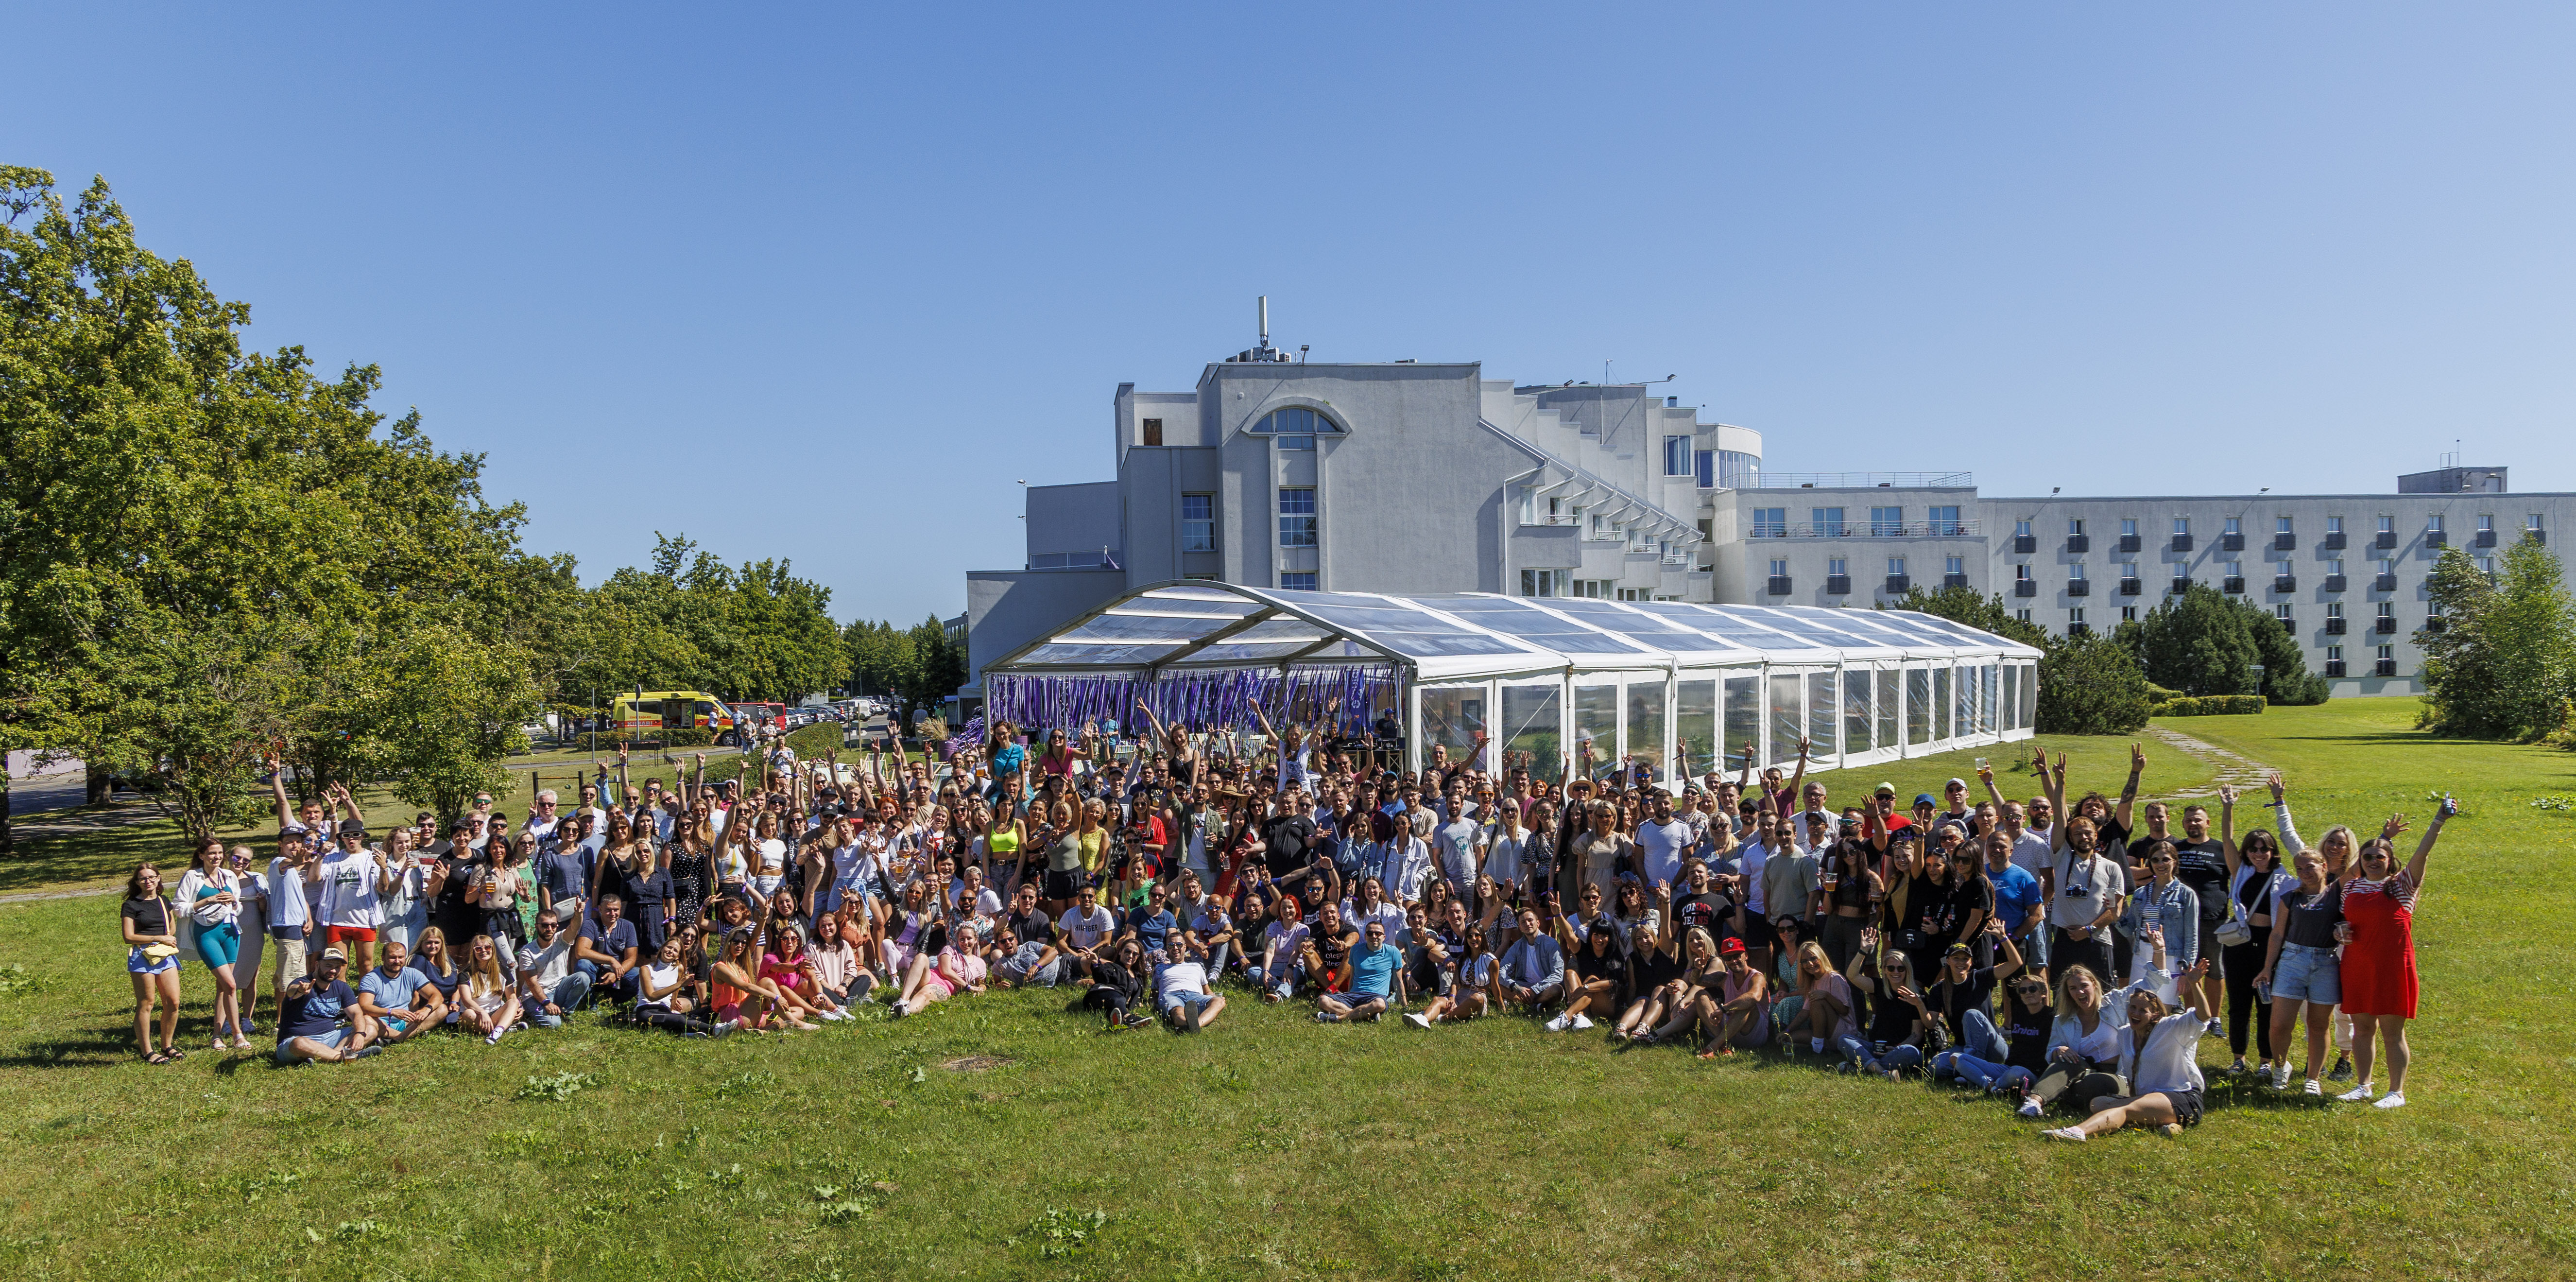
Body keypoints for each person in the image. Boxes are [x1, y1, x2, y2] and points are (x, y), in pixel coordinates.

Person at [2337, 801, 2450, 1108]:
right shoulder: (2351, 887)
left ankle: (2396, 1092)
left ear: (2390, 861)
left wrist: (2438, 821)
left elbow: (2422, 854)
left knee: (2392, 1032)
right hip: (2357, 964)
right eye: (2368, 857)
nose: (2374, 861)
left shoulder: (2402, 885)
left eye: (2380, 857)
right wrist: (2339, 933)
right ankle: (2363, 1086)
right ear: (2361, 860)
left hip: (2392, 966)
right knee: (2362, 1030)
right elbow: (2346, 921)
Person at [2043, 981, 2214, 1142]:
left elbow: (2203, 1016)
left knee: (2122, 1109)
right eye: (2133, 1008)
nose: (2135, 1013)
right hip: (2147, 1098)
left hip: (2182, 1098)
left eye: (2142, 1010)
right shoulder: (2125, 1034)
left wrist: (2194, 983)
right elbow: (2132, 1079)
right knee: (2098, 1104)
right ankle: (2165, 1125)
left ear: (2155, 1014)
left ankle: (2078, 1132)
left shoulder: (2170, 1027)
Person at [2253, 842, 2346, 1096]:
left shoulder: (2336, 893)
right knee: (2279, 1025)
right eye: (2299, 869)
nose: (2304, 872)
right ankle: (2281, 1068)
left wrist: (2386, 837)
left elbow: (2358, 867)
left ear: (2324, 867)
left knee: (2318, 1025)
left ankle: (2312, 1078)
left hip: (2325, 963)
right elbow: (2277, 934)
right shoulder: (2291, 898)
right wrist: (2267, 968)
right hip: (2292, 961)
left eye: (2310, 867)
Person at [2017, 965, 2124, 1119]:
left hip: (2116, 1073)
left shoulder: (2114, 1005)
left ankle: (2062, 1092)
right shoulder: (2062, 1020)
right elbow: (2051, 1051)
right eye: (2073, 988)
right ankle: (2034, 1102)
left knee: (2093, 1083)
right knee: (2068, 1061)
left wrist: (2158, 953)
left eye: (2084, 986)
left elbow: (2151, 983)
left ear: (2094, 984)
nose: (2080, 992)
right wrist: (2058, 1050)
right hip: (2081, 1069)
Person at [176, 838, 251, 1051]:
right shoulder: (193, 876)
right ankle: (237, 1034)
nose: (216, 857)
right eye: (211, 853)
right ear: (202, 856)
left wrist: (233, 902)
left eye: (219, 853)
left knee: (224, 986)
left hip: (230, 933)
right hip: (206, 934)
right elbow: (179, 908)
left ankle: (217, 1036)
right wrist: (208, 900)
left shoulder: (229, 876)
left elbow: (238, 907)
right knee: (231, 985)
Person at [121, 863, 186, 1064]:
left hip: (164, 955)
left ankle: (167, 1045)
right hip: (142, 956)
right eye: (143, 878)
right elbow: (128, 936)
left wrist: (164, 939)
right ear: (137, 882)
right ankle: (147, 1051)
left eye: (151, 877)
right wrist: (158, 938)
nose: (148, 881)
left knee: (173, 1002)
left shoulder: (163, 901)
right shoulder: (131, 905)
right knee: (147, 1003)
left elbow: (171, 929)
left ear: (159, 878)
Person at [274, 948, 382, 1064]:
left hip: (331, 1038)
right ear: (317, 965)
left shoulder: (342, 987)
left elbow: (356, 1013)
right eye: (329, 966)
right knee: (299, 1044)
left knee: (370, 1029)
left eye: (337, 967)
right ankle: (344, 1056)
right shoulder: (302, 983)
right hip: (297, 1040)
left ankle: (324, 1056)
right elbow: (292, 991)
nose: (333, 971)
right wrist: (300, 990)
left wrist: (360, 1034)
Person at [889, 922, 989, 1019]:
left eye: (969, 939)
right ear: (958, 940)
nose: (965, 942)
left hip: (945, 986)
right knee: (921, 957)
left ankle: (905, 1011)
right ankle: (903, 1000)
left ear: (976, 940)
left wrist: (981, 988)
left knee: (924, 995)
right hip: (930, 976)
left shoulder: (980, 963)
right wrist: (967, 986)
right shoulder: (949, 950)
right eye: (962, 939)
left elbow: (982, 984)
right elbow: (946, 971)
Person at [356, 939, 445, 1043]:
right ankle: (407, 1035)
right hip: (381, 1022)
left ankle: (396, 1038)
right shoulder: (371, 978)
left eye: (401, 957)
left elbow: (437, 996)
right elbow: (364, 1007)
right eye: (392, 958)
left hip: (406, 1021)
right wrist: (391, 1012)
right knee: (366, 1019)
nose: (397, 961)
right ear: (383, 958)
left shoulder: (413, 974)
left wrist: (426, 1009)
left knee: (442, 1009)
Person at [516, 909, 593, 1027]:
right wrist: (547, 1003)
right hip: (534, 996)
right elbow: (532, 984)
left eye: (553, 925)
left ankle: (566, 1012)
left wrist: (578, 913)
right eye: (545, 926)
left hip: (559, 988)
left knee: (583, 978)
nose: (549, 929)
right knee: (554, 1025)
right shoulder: (527, 952)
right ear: (537, 926)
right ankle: (531, 1013)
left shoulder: (561, 940)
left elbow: (574, 928)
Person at [1317, 918, 1403, 1023]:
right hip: (1354, 995)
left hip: (1376, 997)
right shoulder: (1356, 950)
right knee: (1323, 1000)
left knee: (1380, 1004)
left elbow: (1398, 981)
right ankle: (1366, 1016)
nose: (1374, 936)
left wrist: (1405, 1005)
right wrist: (1350, 993)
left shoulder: (1393, 952)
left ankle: (1338, 1018)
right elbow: (1353, 976)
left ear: (1384, 937)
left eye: (1378, 934)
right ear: (1365, 936)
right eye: (1370, 934)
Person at [1499, 905, 1566, 1018]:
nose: (1527, 924)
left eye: (1530, 920)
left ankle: (1522, 1002)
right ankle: (1536, 1005)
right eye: (1523, 922)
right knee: (1494, 982)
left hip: (1545, 987)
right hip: (1523, 986)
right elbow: (1501, 970)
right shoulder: (1517, 946)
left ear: (1538, 923)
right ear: (1520, 928)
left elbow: (1558, 974)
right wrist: (1515, 986)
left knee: (1557, 990)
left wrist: (1535, 990)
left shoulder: (1551, 944)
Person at [457, 934, 523, 1044]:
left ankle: (497, 1031)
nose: (484, 951)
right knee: (469, 1013)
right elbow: (467, 1001)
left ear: (493, 950)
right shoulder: (465, 974)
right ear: (473, 952)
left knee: (514, 1002)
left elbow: (512, 997)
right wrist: (482, 1013)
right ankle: (504, 1027)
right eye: (478, 949)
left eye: (487, 948)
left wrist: (519, 1008)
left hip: (496, 1013)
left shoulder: (503, 971)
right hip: (476, 1014)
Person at [1156, 933, 1225, 1032]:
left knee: (1219, 1002)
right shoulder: (1160, 968)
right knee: (1178, 1011)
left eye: (1179, 945)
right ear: (1167, 948)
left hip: (1195, 996)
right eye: (1171, 945)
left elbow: (1207, 991)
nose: (1175, 948)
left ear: (1185, 947)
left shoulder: (1196, 966)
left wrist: (1215, 997)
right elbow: (1154, 992)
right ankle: (1192, 1024)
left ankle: (1195, 1025)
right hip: (1172, 995)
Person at [1083, 937, 1151, 1031]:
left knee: (1114, 1009)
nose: (1131, 956)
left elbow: (1139, 996)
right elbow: (1101, 978)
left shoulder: (1139, 976)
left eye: (1135, 954)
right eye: (1127, 952)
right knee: (1118, 998)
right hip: (1100, 996)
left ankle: (1119, 1023)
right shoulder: (1112, 967)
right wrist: (1096, 963)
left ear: (1138, 957)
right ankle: (1129, 1018)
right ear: (1120, 952)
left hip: (1117, 1006)